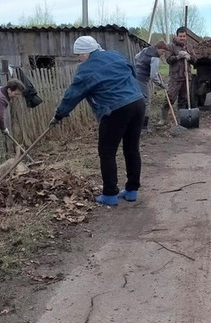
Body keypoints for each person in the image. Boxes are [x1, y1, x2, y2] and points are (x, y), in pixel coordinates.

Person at [50, 36, 145, 206]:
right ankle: (132, 191)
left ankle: (110, 194)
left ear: (86, 52)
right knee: (132, 148)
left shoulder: (85, 70)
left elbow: (72, 95)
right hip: (137, 102)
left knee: (107, 151)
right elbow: (132, 72)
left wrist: (59, 114)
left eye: (79, 55)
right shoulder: (116, 55)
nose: (79, 59)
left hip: (115, 109)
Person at [158, 27, 196, 125]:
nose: (182, 38)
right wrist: (178, 56)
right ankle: (164, 119)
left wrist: (189, 57)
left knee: (184, 99)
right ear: (177, 36)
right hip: (175, 77)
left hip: (186, 77)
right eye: (180, 36)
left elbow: (195, 60)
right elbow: (168, 60)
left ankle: (182, 119)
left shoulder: (189, 46)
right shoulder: (171, 46)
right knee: (170, 97)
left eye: (184, 36)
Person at [134, 40, 171, 131]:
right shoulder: (155, 58)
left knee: (136, 100)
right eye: (162, 51)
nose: (162, 54)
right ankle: (144, 127)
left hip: (134, 75)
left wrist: (142, 65)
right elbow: (153, 76)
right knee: (146, 102)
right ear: (158, 48)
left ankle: (135, 124)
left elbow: (136, 57)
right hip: (142, 79)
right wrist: (161, 84)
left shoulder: (146, 50)